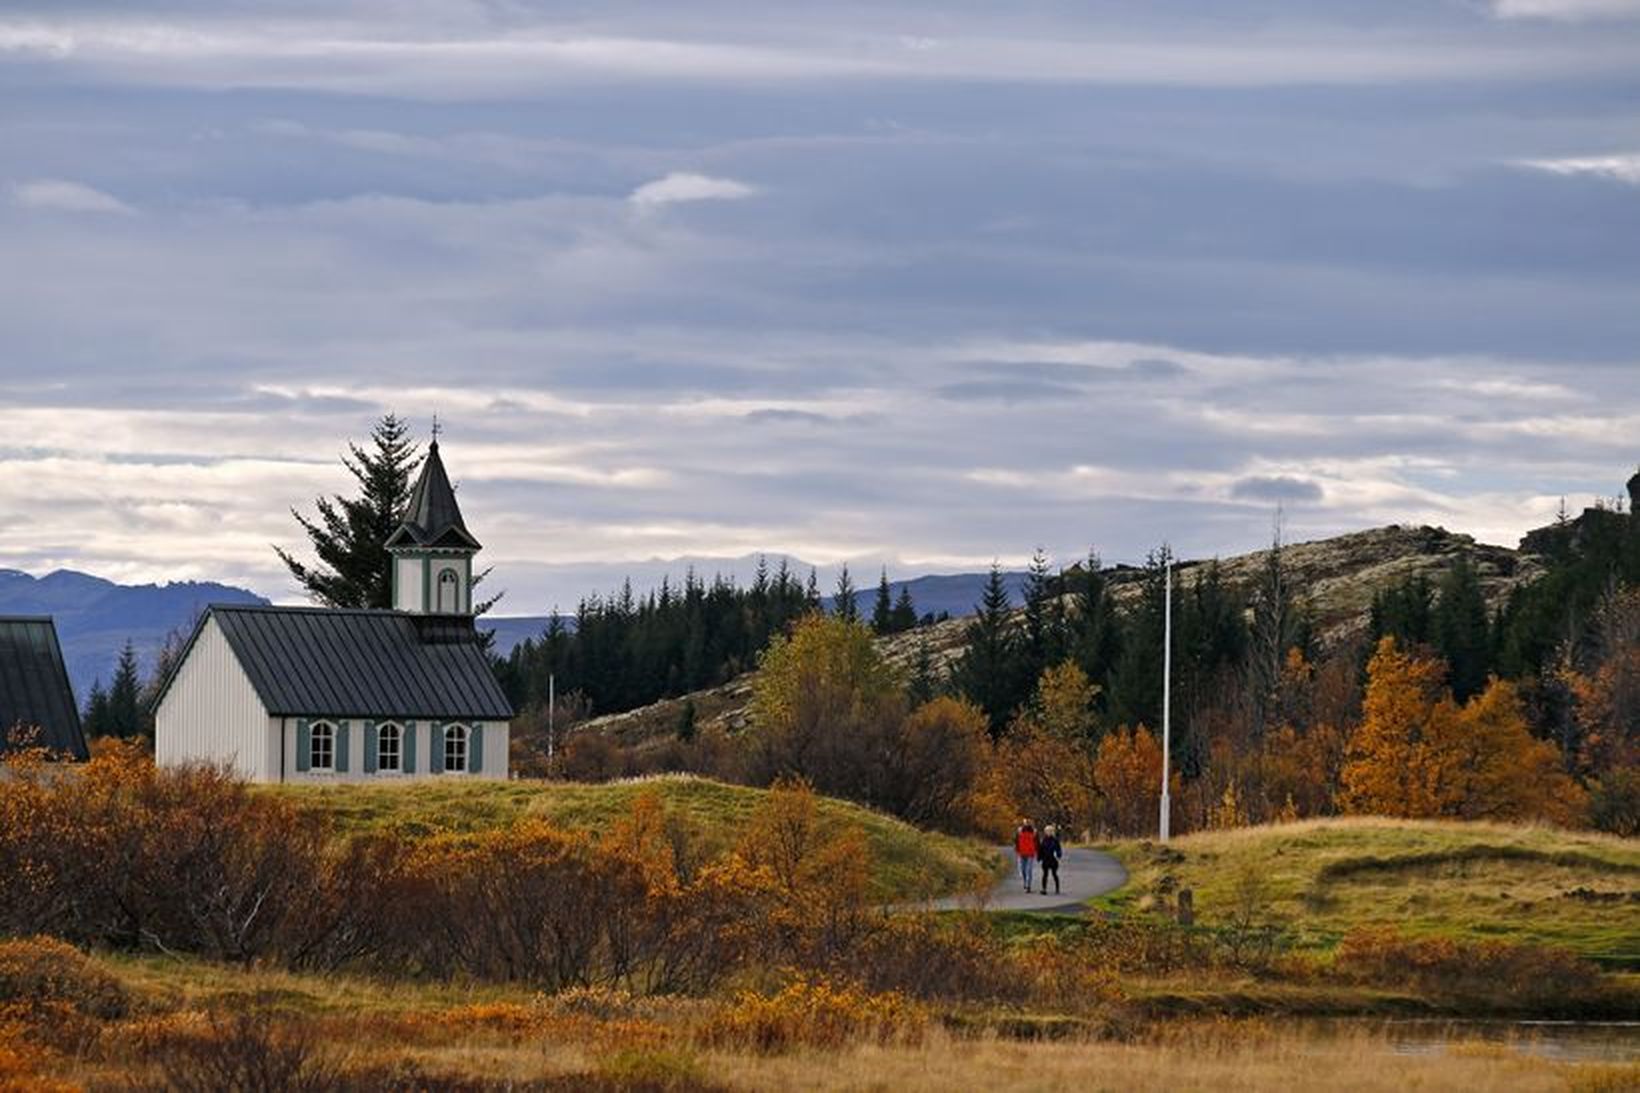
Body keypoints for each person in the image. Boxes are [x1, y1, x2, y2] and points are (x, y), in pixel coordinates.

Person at [1037, 824, 1062, 895]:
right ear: (1045, 832)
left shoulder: (1055, 840)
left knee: (1054, 874)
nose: (1049, 832)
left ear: (1052, 832)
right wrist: (1039, 857)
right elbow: (1040, 850)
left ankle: (1057, 889)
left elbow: (1058, 849)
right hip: (1045, 859)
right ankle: (1044, 889)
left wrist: (1058, 855)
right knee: (1045, 874)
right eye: (1047, 831)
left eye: (1050, 831)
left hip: (1053, 860)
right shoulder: (1043, 840)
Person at [1013, 819, 1037, 892]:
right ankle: (1025, 882)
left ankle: (1028, 886)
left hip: (1030, 853)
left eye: (1027, 823)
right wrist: (1017, 849)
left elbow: (1037, 842)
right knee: (1022, 870)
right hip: (1021, 853)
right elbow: (1016, 841)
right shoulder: (1019, 831)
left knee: (1028, 870)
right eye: (1025, 823)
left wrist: (1038, 852)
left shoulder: (1034, 832)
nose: (1026, 824)